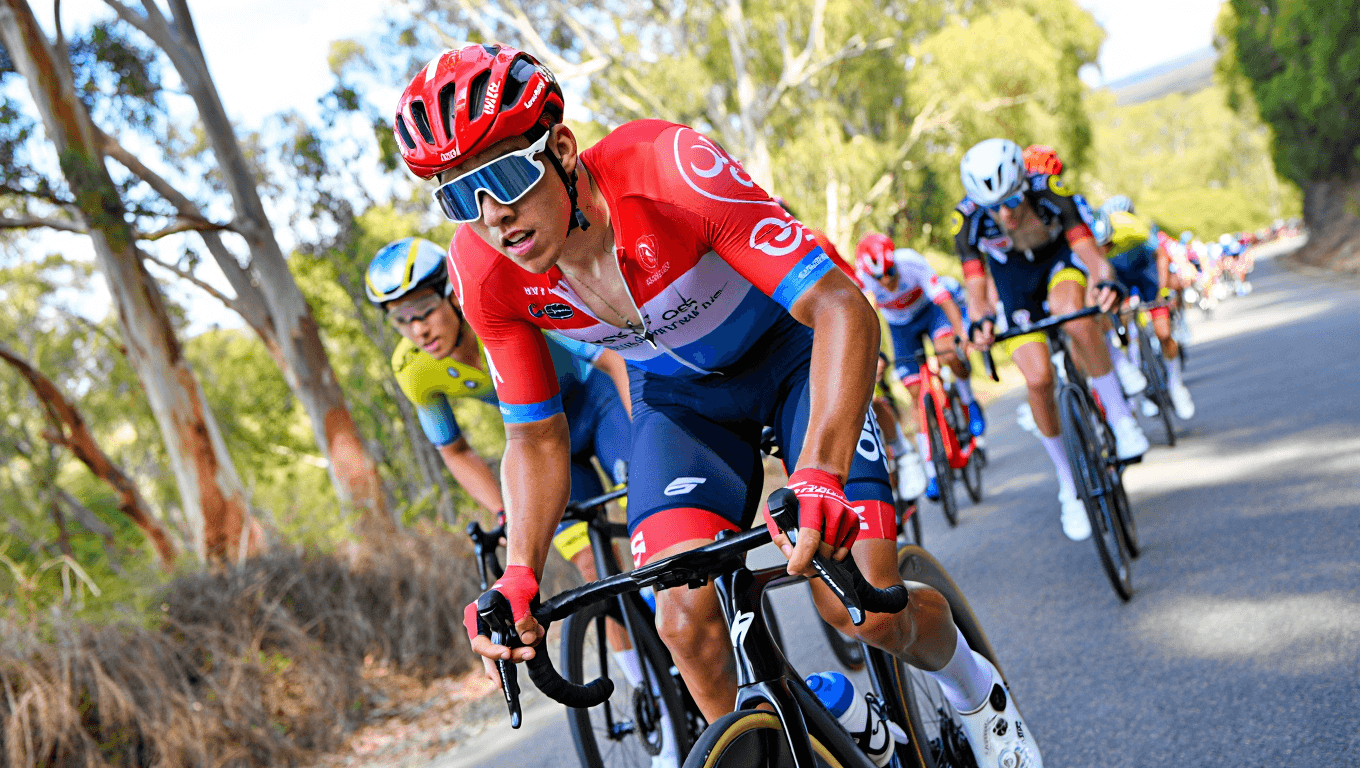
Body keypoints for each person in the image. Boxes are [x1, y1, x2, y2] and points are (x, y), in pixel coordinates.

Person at [398, 44, 1043, 768]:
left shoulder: (667, 167)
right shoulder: (484, 271)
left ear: (564, 149)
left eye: (509, 176)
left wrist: (821, 472)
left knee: (858, 605)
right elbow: (536, 438)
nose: (495, 216)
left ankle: (973, 688)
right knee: (683, 621)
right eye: (461, 196)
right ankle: (798, 733)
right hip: (683, 404)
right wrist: (518, 572)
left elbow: (839, 305)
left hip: (793, 355)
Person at [366, 236, 651, 707]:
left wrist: (650, 438)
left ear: (453, 294)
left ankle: (687, 634)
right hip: (542, 437)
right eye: (400, 318)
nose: (416, 329)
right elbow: (454, 450)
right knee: (592, 569)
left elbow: (613, 360)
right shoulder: (415, 369)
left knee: (648, 528)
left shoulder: (500, 304)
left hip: (598, 403)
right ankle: (652, 696)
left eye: (423, 308)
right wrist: (503, 509)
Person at [955, 138, 1149, 542]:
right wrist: (981, 322)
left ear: (1024, 184)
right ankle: (1068, 484)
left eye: (1011, 201)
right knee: (1039, 380)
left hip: (1059, 263)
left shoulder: (1049, 192)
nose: (1005, 214)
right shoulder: (969, 220)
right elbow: (975, 288)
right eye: (995, 207)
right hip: (1014, 285)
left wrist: (1103, 278)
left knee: (1075, 320)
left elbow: (1088, 250)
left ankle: (1119, 415)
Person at [854, 233, 981, 503]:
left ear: (894, 262)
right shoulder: (864, 280)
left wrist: (961, 333)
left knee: (948, 354)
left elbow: (943, 297)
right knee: (914, 394)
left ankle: (969, 402)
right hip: (901, 329)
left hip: (930, 314)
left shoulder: (910, 262)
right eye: (879, 277)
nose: (886, 280)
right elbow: (866, 322)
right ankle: (932, 470)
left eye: (889, 272)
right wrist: (873, 357)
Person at [1089, 206, 1196, 420]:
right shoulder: (1091, 244)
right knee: (1120, 327)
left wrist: (1163, 289)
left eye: (1108, 243)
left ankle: (1176, 385)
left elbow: (1162, 255)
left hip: (1146, 270)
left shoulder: (1130, 227)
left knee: (1164, 333)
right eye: (1101, 246)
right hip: (1119, 276)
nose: (1106, 248)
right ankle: (1138, 381)